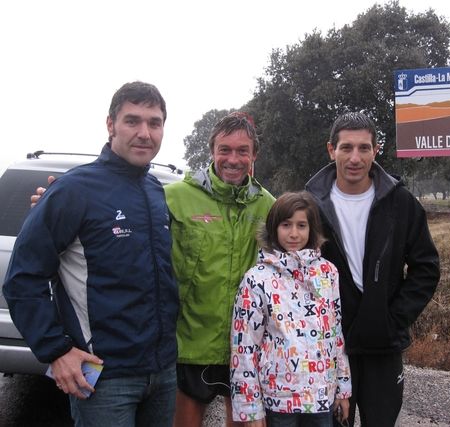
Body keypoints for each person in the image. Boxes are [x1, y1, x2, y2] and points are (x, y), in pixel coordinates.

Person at [3, 82, 179, 427]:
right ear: (111, 124)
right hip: (103, 375)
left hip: (162, 372)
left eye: (154, 123)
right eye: (132, 120)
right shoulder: (73, 190)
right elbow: (23, 278)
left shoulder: (156, 192)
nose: (145, 133)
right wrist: (56, 350)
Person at [305, 112, 440, 427]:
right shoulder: (309, 205)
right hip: (328, 345)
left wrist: (394, 319)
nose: (355, 158)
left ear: (376, 150)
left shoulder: (401, 203)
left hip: (383, 343)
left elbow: (426, 268)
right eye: (346, 147)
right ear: (331, 150)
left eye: (364, 148)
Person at [165, 112, 275, 427]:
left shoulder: (268, 207)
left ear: (254, 155)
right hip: (189, 344)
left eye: (242, 151)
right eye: (224, 149)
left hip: (246, 347)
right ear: (212, 150)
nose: (233, 159)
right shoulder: (174, 197)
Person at [230, 191, 351, 427]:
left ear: (311, 229)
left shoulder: (328, 273)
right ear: (274, 228)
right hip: (278, 399)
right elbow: (244, 346)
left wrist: (343, 388)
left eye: (301, 225)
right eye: (286, 225)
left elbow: (336, 333)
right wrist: (250, 409)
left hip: (321, 396)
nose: (294, 233)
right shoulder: (256, 279)